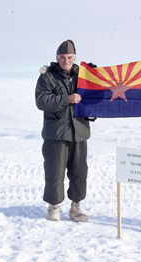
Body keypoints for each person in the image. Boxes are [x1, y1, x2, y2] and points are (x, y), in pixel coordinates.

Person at [35, 40, 94, 222]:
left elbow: (95, 95)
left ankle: (75, 207)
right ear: (57, 58)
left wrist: (95, 76)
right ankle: (54, 206)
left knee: (79, 172)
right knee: (55, 171)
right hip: (56, 133)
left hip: (79, 131)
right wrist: (66, 98)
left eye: (69, 57)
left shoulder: (83, 77)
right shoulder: (47, 77)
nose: (66, 60)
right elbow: (41, 101)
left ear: (74, 58)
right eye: (62, 57)